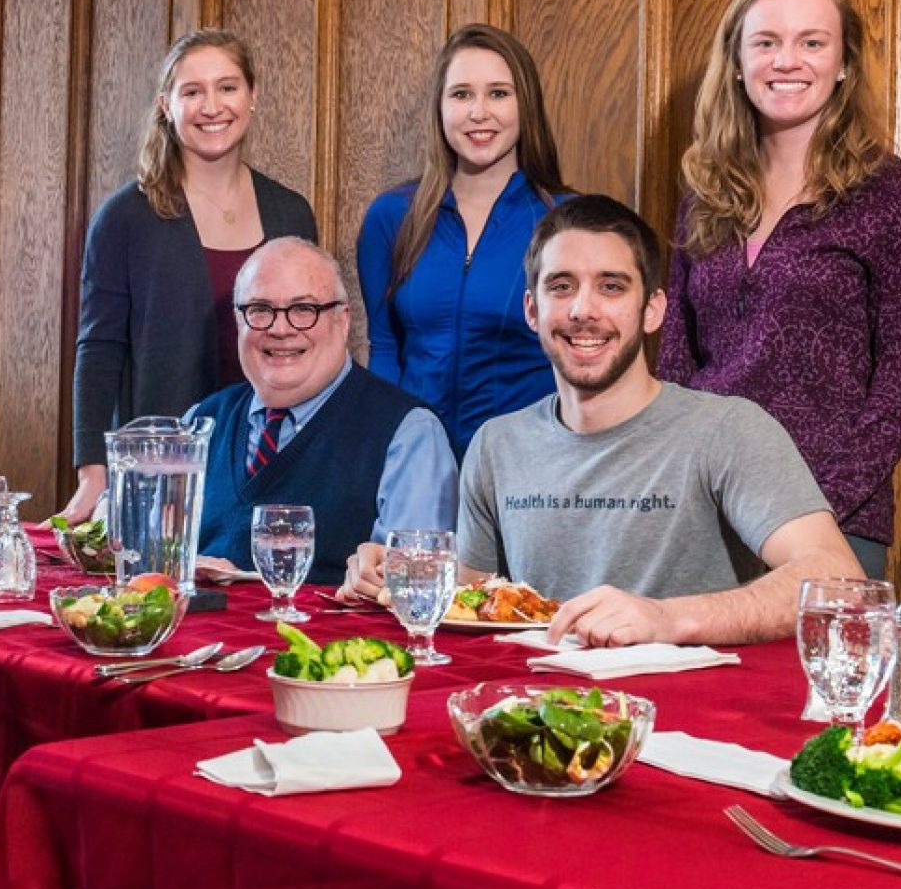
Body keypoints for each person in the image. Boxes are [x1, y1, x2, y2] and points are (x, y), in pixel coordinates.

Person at [345, 195, 862, 647]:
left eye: (611, 287)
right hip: (536, 719)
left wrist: (666, 618)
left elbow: (840, 581)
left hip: (689, 726)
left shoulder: (727, 431)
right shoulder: (496, 445)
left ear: (653, 309)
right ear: (532, 309)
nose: (582, 310)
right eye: (562, 286)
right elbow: (475, 599)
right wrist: (400, 575)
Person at [659, 0, 901, 580]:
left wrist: (814, 505)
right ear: (737, 60)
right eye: (766, 42)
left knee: (817, 679)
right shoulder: (705, 194)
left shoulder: (892, 193)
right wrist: (675, 481)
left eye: (811, 42)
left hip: (831, 520)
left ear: (843, 63)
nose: (787, 61)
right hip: (703, 505)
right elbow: (675, 363)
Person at [56, 30, 318, 522]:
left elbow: (315, 338)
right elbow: (99, 348)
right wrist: (93, 470)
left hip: (273, 462)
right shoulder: (124, 218)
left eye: (227, 87)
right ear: (166, 106)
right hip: (164, 470)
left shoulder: (292, 213)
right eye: (191, 91)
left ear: (253, 96)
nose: (211, 106)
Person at [189, 238, 456, 589]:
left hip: (335, 643)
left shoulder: (409, 435)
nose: (280, 329)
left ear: (342, 320)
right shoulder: (198, 423)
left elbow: (414, 594)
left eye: (303, 309)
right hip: (203, 641)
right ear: (239, 321)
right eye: (259, 309)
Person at [356, 23, 567, 455]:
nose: (479, 113)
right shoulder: (391, 216)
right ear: (440, 107)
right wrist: (383, 449)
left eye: (498, 93)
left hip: (529, 463)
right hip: (418, 462)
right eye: (461, 94)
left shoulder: (565, 219)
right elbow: (384, 347)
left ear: (525, 104)